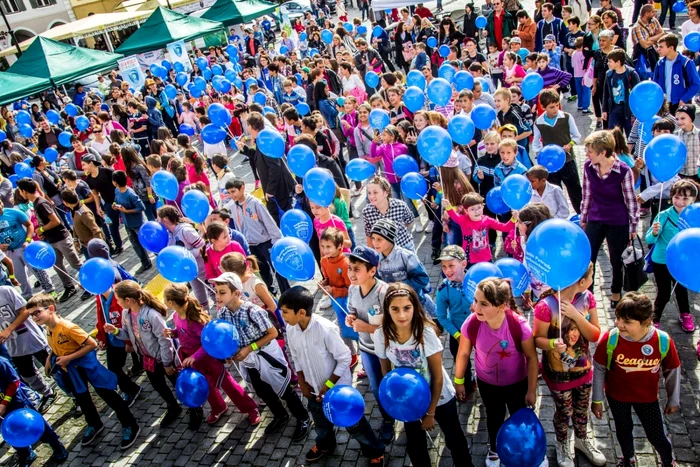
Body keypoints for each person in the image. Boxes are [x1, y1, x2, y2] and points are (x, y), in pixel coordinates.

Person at [279, 286, 386, 464]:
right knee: (320, 423)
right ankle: (325, 444)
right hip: (313, 391)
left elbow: (344, 358)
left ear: (301, 312)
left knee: (355, 425)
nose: (282, 316)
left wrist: (328, 385)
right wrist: (303, 383)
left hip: (338, 391)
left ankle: (374, 451)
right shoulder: (291, 329)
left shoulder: (325, 329)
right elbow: (295, 355)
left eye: (285, 312)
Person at [374, 283, 474, 467]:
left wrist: (430, 412)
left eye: (407, 308)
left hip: (439, 397)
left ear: (415, 307)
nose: (402, 315)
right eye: (395, 309)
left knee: (454, 439)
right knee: (416, 446)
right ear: (387, 310)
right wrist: (396, 400)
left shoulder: (425, 332)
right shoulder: (382, 334)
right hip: (409, 400)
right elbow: (385, 370)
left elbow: (437, 377)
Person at [28, 293, 141, 449]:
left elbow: (91, 344)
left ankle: (130, 424)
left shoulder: (67, 327)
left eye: (37, 312)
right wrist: (50, 357)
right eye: (31, 315)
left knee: (108, 395)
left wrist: (69, 358)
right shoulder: (49, 328)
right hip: (73, 372)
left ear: (51, 309)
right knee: (82, 399)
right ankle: (94, 423)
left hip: (88, 367)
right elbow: (56, 346)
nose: (34, 317)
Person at [211, 272, 312, 439]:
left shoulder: (253, 311)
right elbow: (228, 337)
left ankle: (303, 418)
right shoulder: (223, 314)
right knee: (262, 390)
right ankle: (280, 415)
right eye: (216, 291)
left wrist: (249, 348)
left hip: (267, 356)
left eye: (222, 292)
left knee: (285, 388)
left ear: (236, 293)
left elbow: (272, 333)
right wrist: (228, 353)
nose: (217, 296)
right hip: (248, 360)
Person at [453, 278, 538, 467]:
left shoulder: (519, 326)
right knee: (494, 416)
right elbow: (464, 353)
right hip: (488, 384)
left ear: (501, 305)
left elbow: (532, 358)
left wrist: (531, 390)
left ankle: (524, 447)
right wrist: (459, 380)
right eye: (475, 300)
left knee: (519, 418)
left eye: (483, 304)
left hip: (518, 383)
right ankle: (495, 447)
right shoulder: (472, 324)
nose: (475, 307)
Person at [591, 292, 680, 467]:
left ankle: (668, 461)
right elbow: (599, 368)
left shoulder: (662, 341)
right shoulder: (611, 339)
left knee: (656, 434)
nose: (619, 325)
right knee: (623, 431)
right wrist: (597, 399)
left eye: (627, 322)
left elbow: (672, 369)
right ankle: (628, 458)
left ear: (646, 322)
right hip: (617, 397)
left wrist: (673, 399)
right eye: (618, 319)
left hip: (648, 399)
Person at [533, 265, 606, 467]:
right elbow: (537, 339)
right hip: (558, 375)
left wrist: (576, 315)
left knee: (582, 410)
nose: (592, 279)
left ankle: (582, 441)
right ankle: (562, 443)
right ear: (581, 281)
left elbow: (594, 335)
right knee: (564, 412)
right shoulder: (546, 306)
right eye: (591, 276)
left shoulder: (587, 298)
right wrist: (550, 344)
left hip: (583, 371)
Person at [163, 283, 260, 425]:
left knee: (228, 384)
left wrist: (194, 356)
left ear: (171, 302)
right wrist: (173, 334)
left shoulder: (195, 320)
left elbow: (208, 343)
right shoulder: (177, 317)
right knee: (206, 386)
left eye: (165, 299)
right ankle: (219, 407)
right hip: (193, 361)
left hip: (208, 359)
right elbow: (182, 333)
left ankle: (250, 408)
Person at [108, 281, 191, 428]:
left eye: (118, 299)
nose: (117, 302)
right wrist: (115, 331)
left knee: (178, 384)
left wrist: (167, 363)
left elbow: (165, 340)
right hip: (147, 359)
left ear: (127, 300)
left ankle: (193, 407)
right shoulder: (126, 314)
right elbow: (127, 333)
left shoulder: (151, 315)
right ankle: (173, 407)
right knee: (159, 386)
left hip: (163, 359)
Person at [580, 131, 639, 309]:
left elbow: (630, 200)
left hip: (617, 220)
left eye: (590, 151)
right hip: (596, 218)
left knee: (616, 259)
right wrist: (584, 217)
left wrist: (633, 226)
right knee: (588, 258)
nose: (587, 154)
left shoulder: (623, 171)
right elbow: (587, 194)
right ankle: (587, 295)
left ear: (603, 153)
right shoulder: (589, 167)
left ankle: (615, 292)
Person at [16, 178, 84, 303]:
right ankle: (69, 286)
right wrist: (43, 233)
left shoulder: (41, 203)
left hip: (61, 238)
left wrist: (41, 229)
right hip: (51, 240)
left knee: (75, 263)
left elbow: (55, 221)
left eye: (20, 191)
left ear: (24, 191)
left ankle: (88, 283)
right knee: (58, 266)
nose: (19, 193)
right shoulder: (36, 202)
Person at [646, 179, 698, 331]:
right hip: (662, 260)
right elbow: (649, 239)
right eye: (677, 197)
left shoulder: (695, 217)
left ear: (693, 199)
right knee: (663, 292)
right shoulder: (664, 215)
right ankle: (655, 317)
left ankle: (685, 314)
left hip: (682, 262)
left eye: (685, 198)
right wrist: (655, 232)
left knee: (682, 290)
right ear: (671, 197)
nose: (680, 202)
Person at [225, 178, 290, 294]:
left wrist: (277, 240)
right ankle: (270, 294)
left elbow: (269, 222)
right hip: (251, 245)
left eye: (233, 191)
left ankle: (287, 293)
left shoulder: (255, 203)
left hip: (266, 242)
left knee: (278, 270)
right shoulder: (233, 207)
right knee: (262, 271)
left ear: (242, 188)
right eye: (229, 193)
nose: (231, 195)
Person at [0, 355, 68, 465]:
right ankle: (26, 454)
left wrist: (4, 403)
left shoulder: (1, 363)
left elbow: (14, 382)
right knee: (12, 432)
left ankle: (56, 445)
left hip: (16, 403)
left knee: (37, 424)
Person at [0, 286, 57, 413]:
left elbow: (25, 311)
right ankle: (48, 393)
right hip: (14, 346)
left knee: (54, 367)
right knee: (28, 375)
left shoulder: (5, 291)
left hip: (32, 338)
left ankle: (73, 393)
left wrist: (9, 329)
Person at [237, 112, 295, 225]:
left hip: (278, 188)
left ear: (250, 126)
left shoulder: (264, 140)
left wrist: (270, 191)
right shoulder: (262, 138)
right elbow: (259, 157)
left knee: (279, 215)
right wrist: (244, 149)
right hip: (276, 187)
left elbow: (275, 167)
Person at [370, 219, 436, 318]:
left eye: (379, 239)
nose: (375, 243)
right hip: (395, 305)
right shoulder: (376, 258)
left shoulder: (407, 256)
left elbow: (422, 279)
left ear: (391, 238)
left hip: (415, 303)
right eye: (373, 238)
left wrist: (398, 287)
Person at [532, 89, 583, 213]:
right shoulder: (539, 122)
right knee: (554, 192)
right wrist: (540, 155)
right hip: (550, 165)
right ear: (543, 107)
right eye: (551, 107)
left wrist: (570, 144)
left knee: (575, 190)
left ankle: (582, 215)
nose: (555, 109)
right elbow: (536, 143)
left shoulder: (566, 117)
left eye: (556, 106)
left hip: (568, 160)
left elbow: (577, 136)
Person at [157, 205, 208, 308]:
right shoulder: (168, 234)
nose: (156, 221)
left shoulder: (185, 231)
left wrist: (186, 256)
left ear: (165, 220)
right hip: (190, 272)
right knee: (200, 298)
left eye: (158, 218)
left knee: (212, 291)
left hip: (202, 268)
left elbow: (203, 247)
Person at [445, 193, 513, 265]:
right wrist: (448, 206)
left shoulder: (487, 220)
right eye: (472, 209)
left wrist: (514, 218)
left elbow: (505, 228)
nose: (477, 211)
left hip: (485, 258)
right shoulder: (463, 220)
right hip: (469, 259)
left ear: (483, 207)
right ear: (466, 211)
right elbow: (454, 215)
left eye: (479, 208)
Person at [112, 170, 152, 275]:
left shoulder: (130, 194)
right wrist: (115, 205)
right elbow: (116, 200)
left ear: (116, 182)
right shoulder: (117, 191)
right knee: (135, 244)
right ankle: (145, 262)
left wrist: (127, 211)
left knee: (146, 242)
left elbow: (141, 207)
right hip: (127, 223)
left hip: (137, 223)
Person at [83, 153, 123, 256]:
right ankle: (119, 246)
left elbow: (120, 185)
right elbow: (96, 195)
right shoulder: (89, 179)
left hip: (120, 200)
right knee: (112, 226)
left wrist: (119, 198)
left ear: (91, 163)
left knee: (127, 222)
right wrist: (98, 207)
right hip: (108, 204)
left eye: (84, 165)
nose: (83, 168)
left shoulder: (106, 171)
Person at [362, 176, 416, 251]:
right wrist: (371, 255)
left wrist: (399, 230)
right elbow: (369, 234)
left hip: (404, 246)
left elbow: (409, 220)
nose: (371, 196)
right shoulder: (367, 212)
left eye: (375, 192)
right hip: (384, 251)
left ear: (386, 192)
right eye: (369, 193)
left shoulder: (400, 205)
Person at [652, 34, 700, 115]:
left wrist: (683, 99)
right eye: (658, 46)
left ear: (671, 48)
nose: (658, 49)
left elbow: (696, 84)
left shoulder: (686, 63)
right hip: (664, 105)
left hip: (681, 104)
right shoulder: (660, 63)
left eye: (661, 47)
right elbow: (655, 84)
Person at [602, 49, 641, 136]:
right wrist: (604, 110)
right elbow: (606, 93)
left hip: (628, 111)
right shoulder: (609, 74)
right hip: (614, 110)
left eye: (610, 61)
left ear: (618, 62)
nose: (608, 63)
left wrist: (637, 110)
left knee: (630, 134)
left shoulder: (631, 73)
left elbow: (638, 93)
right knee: (613, 135)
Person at [631, 5, 664, 72]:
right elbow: (644, 45)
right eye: (653, 12)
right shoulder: (637, 27)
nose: (655, 13)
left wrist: (649, 39)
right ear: (646, 14)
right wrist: (656, 39)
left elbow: (662, 33)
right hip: (644, 56)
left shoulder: (654, 20)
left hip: (655, 52)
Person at [673, 104, 700, 183]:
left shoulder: (698, 134)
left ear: (691, 118)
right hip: (680, 175)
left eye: (683, 118)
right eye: (677, 119)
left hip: (696, 174)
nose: (679, 121)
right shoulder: (675, 135)